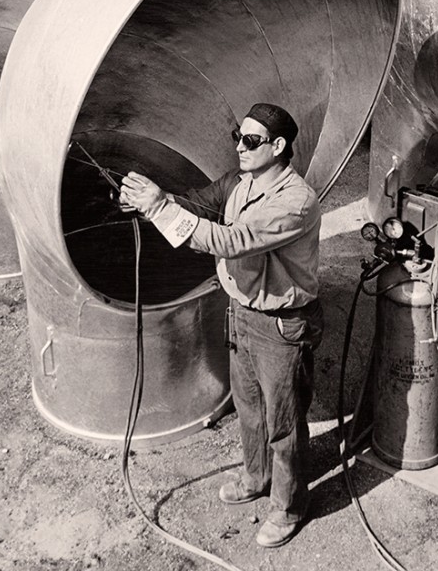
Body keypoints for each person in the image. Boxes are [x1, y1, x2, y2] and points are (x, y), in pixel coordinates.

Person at [120, 102, 323, 549]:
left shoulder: (295, 202)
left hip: (281, 327)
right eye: (238, 135)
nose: (239, 146)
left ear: (279, 146)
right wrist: (150, 199)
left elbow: (231, 241)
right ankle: (257, 476)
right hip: (244, 315)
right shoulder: (240, 182)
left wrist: (158, 210)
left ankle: (289, 507)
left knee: (284, 422)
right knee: (249, 409)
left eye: (250, 141)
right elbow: (198, 203)